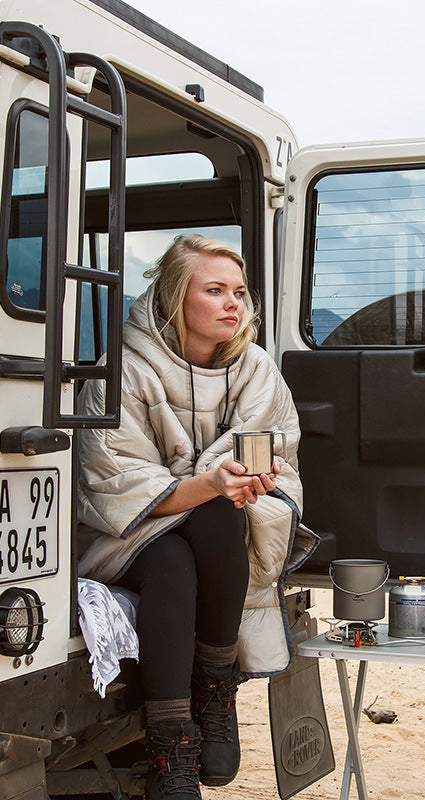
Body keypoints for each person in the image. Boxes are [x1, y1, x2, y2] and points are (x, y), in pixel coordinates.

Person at [76, 234, 312, 800]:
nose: (234, 303)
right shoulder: (123, 370)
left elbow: (277, 445)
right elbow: (115, 483)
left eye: (239, 291)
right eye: (215, 290)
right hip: (125, 537)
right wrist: (209, 481)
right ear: (175, 297)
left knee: (210, 527)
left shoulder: (255, 367)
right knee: (176, 548)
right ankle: (174, 741)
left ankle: (207, 696)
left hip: (214, 531)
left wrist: (249, 480)